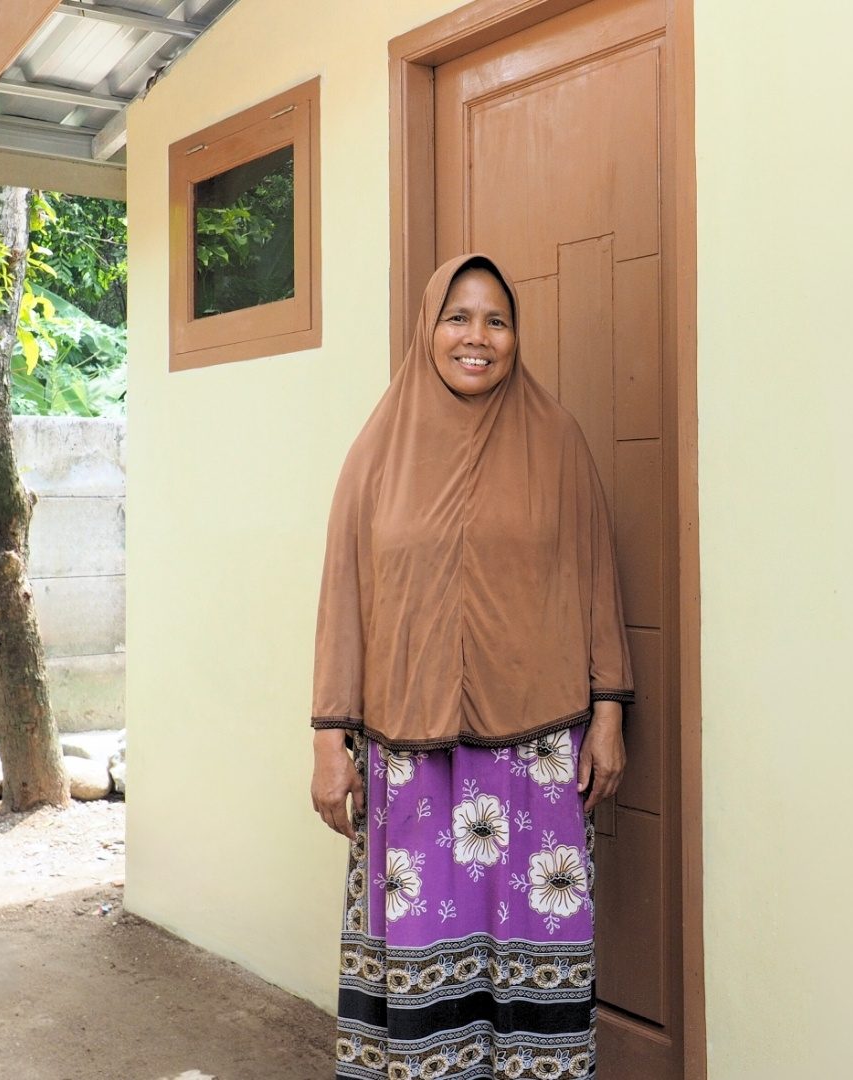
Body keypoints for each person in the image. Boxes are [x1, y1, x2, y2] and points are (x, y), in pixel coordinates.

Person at [310, 252, 632, 1080]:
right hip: (412, 755)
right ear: (428, 329)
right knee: (425, 958)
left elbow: (597, 578)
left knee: (534, 952)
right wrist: (327, 742)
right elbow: (344, 598)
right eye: (458, 317)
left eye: (497, 319)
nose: (477, 338)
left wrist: (609, 714)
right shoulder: (377, 450)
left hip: (537, 754)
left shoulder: (558, 441)